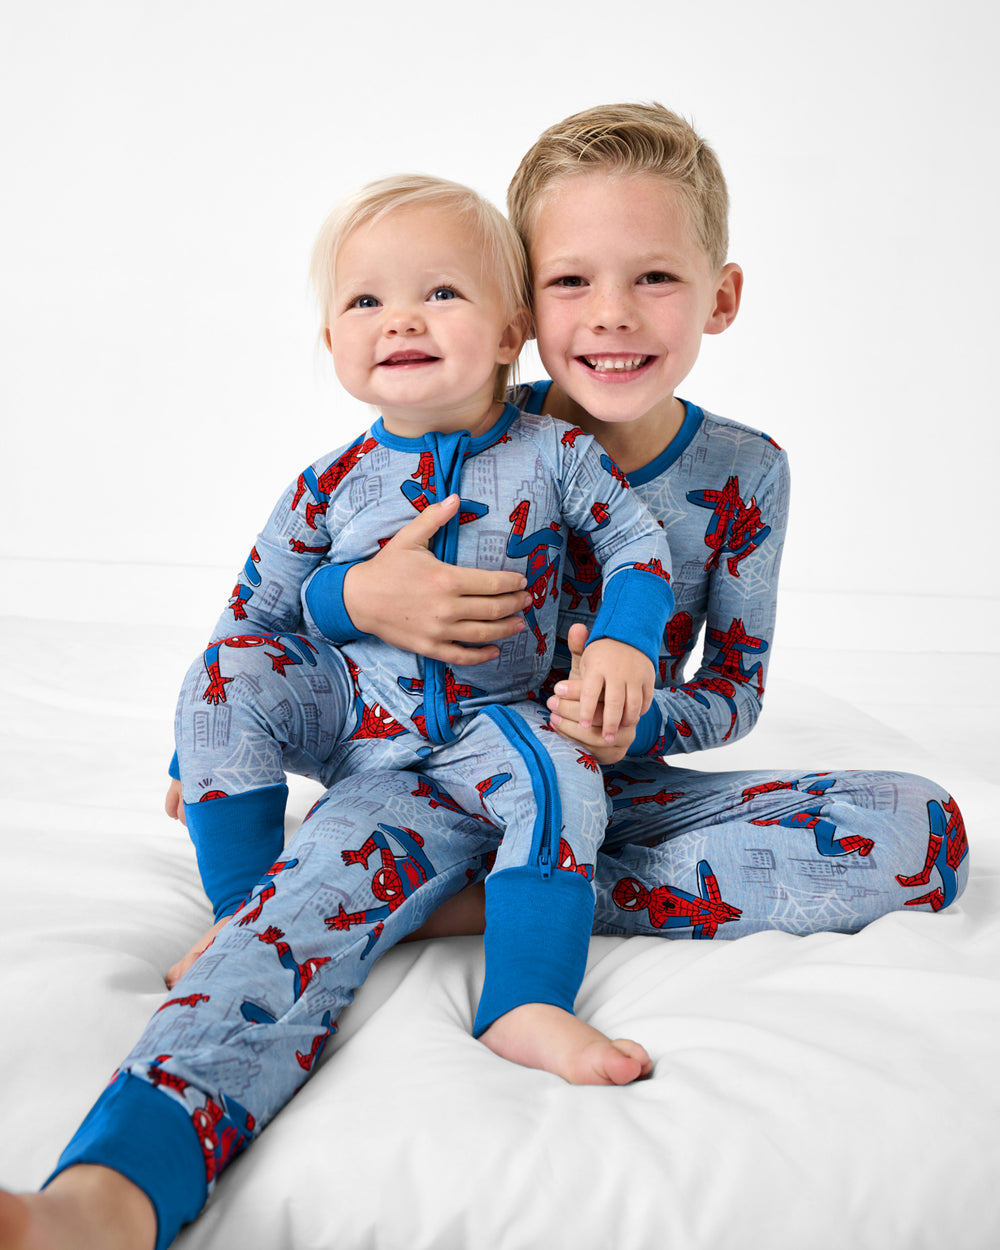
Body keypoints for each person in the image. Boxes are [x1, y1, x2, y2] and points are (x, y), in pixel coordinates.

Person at [0, 103, 969, 1250]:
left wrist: (632, 707)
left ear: (720, 295)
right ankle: (105, 1199)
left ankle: (449, 903)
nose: (609, 315)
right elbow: (261, 615)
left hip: (595, 780)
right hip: (414, 777)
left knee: (920, 830)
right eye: (570, 282)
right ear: (520, 308)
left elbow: (739, 687)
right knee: (275, 933)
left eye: (654, 276)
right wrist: (350, 599)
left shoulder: (744, 471)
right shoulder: (461, 415)